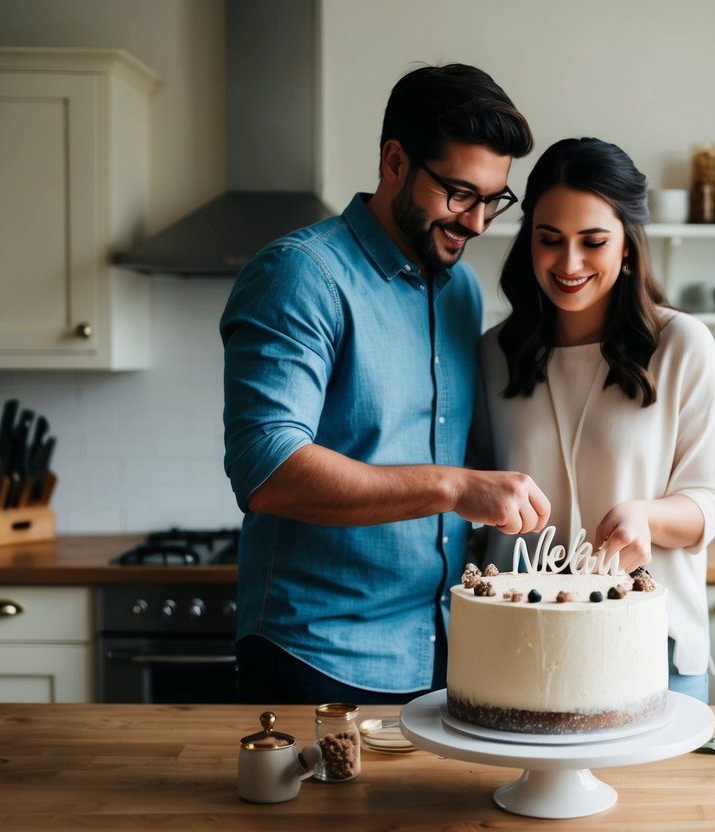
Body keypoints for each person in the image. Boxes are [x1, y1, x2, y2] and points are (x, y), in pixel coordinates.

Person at [220, 63, 550, 705]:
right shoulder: (302, 275)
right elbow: (266, 469)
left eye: (493, 199)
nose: (478, 222)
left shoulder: (461, 291)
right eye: (459, 193)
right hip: (318, 655)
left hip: (446, 656)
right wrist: (455, 487)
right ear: (395, 161)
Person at [475, 137, 715, 702]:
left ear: (627, 248)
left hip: (650, 644)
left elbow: (709, 501)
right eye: (549, 241)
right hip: (518, 647)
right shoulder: (493, 354)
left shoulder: (682, 345)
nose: (569, 264)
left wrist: (648, 517)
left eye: (593, 242)